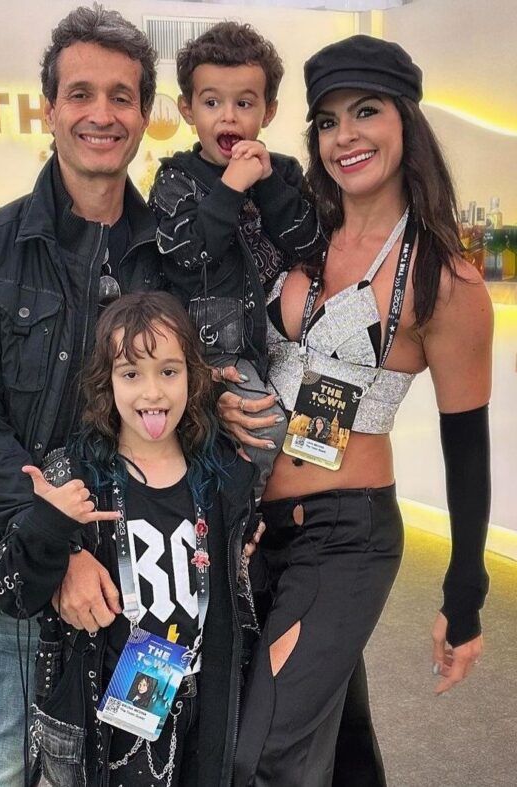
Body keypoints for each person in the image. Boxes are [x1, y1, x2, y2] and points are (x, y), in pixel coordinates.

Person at [218, 36, 493, 786]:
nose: (346, 136)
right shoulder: (290, 231)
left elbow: (466, 446)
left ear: (406, 120)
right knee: (336, 744)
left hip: (345, 536)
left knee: (263, 750)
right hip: (249, 527)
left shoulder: (445, 280)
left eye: (365, 112)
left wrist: (464, 594)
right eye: (329, 120)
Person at [0, 6, 163, 786]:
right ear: (49, 108)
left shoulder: (174, 258)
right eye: (80, 94)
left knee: (136, 761)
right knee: (6, 764)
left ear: (144, 115)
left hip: (149, 569)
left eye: (122, 96)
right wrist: (59, 544)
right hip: (24, 560)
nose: (102, 114)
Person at [0, 291, 260, 787]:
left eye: (169, 371)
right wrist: (48, 523)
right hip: (108, 713)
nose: (152, 393)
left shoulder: (221, 476)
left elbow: (236, 594)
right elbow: (8, 589)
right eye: (131, 374)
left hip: (203, 705)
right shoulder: (77, 474)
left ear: (194, 376)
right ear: (106, 383)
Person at [148, 21, 321, 500]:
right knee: (265, 431)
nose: (228, 117)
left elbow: (310, 243)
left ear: (268, 111)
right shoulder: (176, 180)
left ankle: (294, 519)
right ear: (187, 108)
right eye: (211, 102)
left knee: (316, 433)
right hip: (216, 347)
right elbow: (189, 256)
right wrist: (230, 188)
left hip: (283, 338)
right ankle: (247, 523)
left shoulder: (281, 171)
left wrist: (264, 183)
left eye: (244, 103)